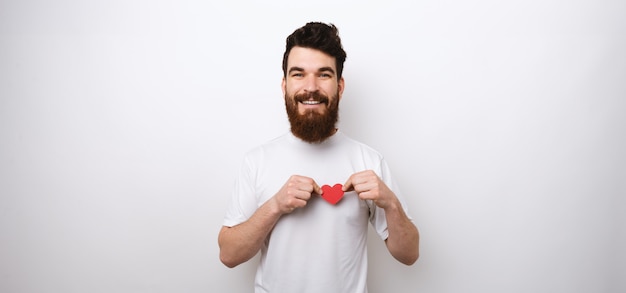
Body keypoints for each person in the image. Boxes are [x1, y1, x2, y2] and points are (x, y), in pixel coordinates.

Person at [218, 22, 420, 293]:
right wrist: (276, 205)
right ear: (284, 85)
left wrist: (391, 204)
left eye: (323, 74)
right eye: (298, 74)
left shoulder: (369, 161)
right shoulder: (256, 160)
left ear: (340, 85)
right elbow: (229, 255)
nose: (310, 87)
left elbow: (409, 255)